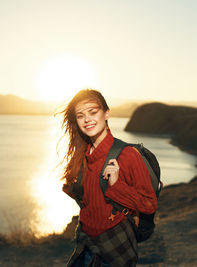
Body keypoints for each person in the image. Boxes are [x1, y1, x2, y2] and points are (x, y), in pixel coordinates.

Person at [60, 89, 157, 267]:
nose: (87, 119)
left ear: (106, 113)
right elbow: (85, 196)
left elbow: (149, 204)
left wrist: (117, 186)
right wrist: (73, 186)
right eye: (80, 115)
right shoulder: (82, 154)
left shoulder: (128, 155)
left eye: (93, 112)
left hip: (115, 246)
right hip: (85, 241)